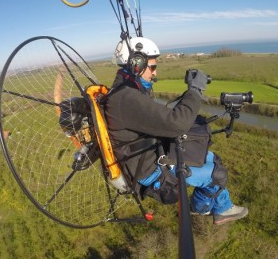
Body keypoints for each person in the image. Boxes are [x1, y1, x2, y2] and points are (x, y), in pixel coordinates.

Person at [104, 37, 248, 225]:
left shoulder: (125, 91)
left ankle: (213, 206)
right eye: (153, 67)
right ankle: (210, 209)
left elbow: (159, 119)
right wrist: (195, 90)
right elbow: (177, 123)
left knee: (212, 157)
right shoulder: (127, 98)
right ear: (137, 64)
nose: (155, 73)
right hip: (151, 171)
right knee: (218, 174)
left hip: (151, 153)